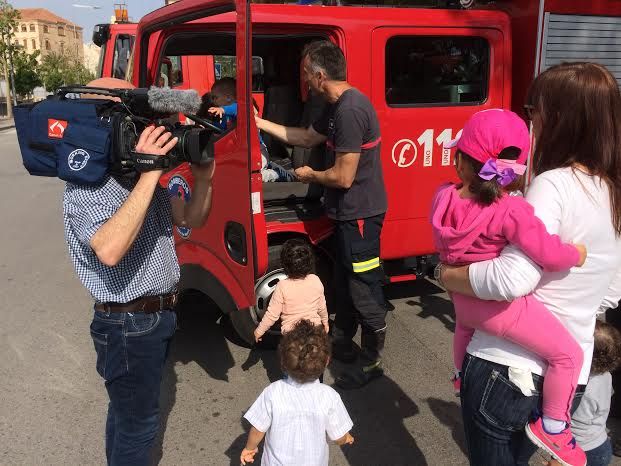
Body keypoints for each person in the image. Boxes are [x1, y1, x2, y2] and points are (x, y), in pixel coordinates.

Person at [435, 62, 621, 465]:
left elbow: (510, 279)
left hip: (509, 366)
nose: (529, 120)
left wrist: (446, 275)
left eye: (532, 109)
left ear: (556, 116)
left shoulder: (551, 185)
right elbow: (611, 291)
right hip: (571, 379)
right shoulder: (612, 191)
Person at [63, 77, 216, 465]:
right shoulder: (88, 184)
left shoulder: (136, 178)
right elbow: (110, 250)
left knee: (127, 415)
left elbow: (193, 217)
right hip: (128, 326)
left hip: (156, 317)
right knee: (139, 425)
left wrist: (203, 178)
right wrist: (150, 174)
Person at [255, 40, 388, 389]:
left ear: (319, 74)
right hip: (345, 214)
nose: (304, 82)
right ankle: (343, 344)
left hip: (360, 216)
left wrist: (311, 176)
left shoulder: (350, 110)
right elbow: (304, 137)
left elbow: (343, 176)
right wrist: (257, 122)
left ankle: (374, 362)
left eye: (305, 75)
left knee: (363, 287)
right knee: (343, 284)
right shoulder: (334, 106)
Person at [240, 320, 354, 466]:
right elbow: (338, 437)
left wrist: (250, 448)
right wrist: (346, 438)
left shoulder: (273, 392)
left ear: (283, 362)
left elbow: (258, 428)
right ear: (327, 361)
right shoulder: (329, 397)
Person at [207, 77, 294, 182]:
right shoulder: (226, 115)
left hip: (257, 151)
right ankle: (269, 165)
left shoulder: (239, 108)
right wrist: (209, 126)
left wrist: (222, 109)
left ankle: (278, 174)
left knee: (253, 177)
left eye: (215, 97)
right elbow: (222, 130)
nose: (213, 101)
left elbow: (236, 109)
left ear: (228, 98)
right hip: (243, 152)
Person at [254, 239, 329, 342]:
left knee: (292, 357)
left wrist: (259, 331)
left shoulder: (282, 286)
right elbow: (322, 307)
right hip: (315, 334)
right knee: (317, 357)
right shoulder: (315, 280)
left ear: (285, 265)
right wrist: (325, 320)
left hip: (292, 339)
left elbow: (272, 314)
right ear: (310, 263)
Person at [569, 320, 621, 466]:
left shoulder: (583, 387)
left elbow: (577, 420)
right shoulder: (606, 375)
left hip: (584, 450)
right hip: (600, 442)